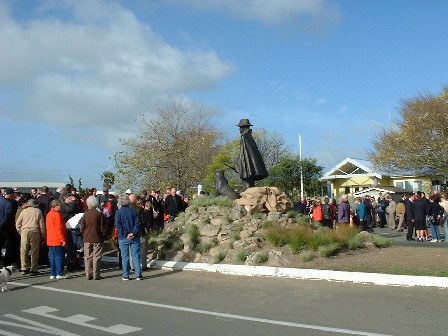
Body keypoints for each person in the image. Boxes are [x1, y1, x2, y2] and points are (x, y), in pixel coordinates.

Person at [235, 119, 269, 191]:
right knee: (250, 183)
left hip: (247, 167)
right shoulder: (250, 137)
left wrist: (238, 164)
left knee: (246, 183)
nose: (239, 129)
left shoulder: (244, 137)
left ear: (243, 127)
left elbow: (243, 153)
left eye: (240, 127)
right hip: (251, 167)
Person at [115, 195, 143, 281]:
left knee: (125, 256)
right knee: (136, 256)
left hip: (123, 237)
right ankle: (138, 274)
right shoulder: (134, 211)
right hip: (135, 237)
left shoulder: (118, 212)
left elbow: (118, 225)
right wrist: (133, 233)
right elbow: (138, 223)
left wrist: (127, 233)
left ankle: (126, 274)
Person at [80, 196, 108, 280]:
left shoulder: (85, 214)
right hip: (97, 238)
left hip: (87, 238)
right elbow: (103, 227)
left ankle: (88, 274)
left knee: (88, 257)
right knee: (97, 256)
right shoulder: (100, 214)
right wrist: (103, 235)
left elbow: (82, 228)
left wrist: (83, 234)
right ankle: (96, 274)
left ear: (88, 204)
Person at [15, 199, 46, 275]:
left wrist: (20, 231)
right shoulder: (38, 211)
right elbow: (41, 225)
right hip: (35, 231)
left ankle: (24, 268)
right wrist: (43, 234)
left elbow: (18, 223)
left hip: (25, 231)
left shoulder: (24, 211)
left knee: (23, 250)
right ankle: (33, 269)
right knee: (34, 251)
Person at [46, 200, 67, 279]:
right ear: (56, 206)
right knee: (59, 257)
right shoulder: (57, 215)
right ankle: (60, 273)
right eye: (60, 205)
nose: (61, 207)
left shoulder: (49, 214)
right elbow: (59, 229)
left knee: (52, 257)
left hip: (50, 239)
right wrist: (62, 240)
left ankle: (52, 273)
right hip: (57, 239)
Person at [0, 188, 19, 268]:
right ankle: (7, 263)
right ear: (10, 194)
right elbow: (7, 217)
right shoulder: (9, 204)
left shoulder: (1, 201)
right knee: (10, 245)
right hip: (6, 227)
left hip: (2, 226)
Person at [129, 194, 148, 271]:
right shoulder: (139, 209)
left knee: (131, 251)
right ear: (136, 199)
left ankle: (132, 266)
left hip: (129, 232)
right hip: (140, 232)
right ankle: (143, 265)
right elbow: (143, 222)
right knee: (142, 250)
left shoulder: (126, 209)